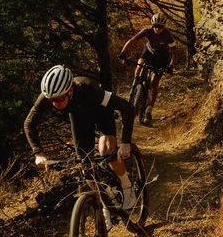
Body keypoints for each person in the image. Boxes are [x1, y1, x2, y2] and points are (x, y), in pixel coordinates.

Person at [23, 64, 137, 209]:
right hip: (78, 116)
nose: (55, 103)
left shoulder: (88, 89)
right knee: (86, 167)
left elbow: (127, 108)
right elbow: (29, 124)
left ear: (70, 91)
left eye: (59, 99)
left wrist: (126, 141)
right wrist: (38, 153)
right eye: (51, 100)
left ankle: (127, 186)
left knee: (107, 150)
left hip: (100, 110)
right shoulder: (49, 96)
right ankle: (104, 203)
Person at [118, 12, 175, 124]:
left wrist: (170, 66)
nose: (157, 29)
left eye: (160, 27)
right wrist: (123, 53)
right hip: (148, 52)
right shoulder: (147, 30)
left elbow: (174, 54)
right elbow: (132, 41)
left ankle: (149, 110)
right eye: (155, 26)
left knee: (154, 83)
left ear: (164, 27)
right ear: (152, 25)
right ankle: (133, 94)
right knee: (138, 69)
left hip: (162, 59)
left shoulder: (168, 36)